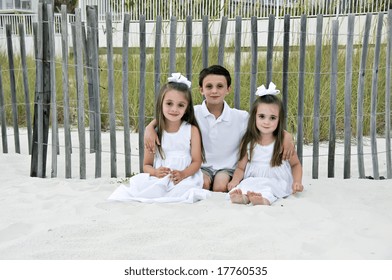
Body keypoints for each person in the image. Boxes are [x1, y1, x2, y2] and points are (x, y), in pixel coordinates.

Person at [145, 65, 295, 192]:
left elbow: (264, 123)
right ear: (201, 90)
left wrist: (286, 136)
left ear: (228, 89)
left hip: (227, 167)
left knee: (220, 187)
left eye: (220, 86)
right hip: (201, 167)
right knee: (203, 184)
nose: (214, 91)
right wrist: (149, 128)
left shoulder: (240, 117)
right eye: (209, 86)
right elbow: (168, 118)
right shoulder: (193, 112)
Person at [108, 73, 210, 203]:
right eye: (169, 103)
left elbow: (196, 161)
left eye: (180, 105)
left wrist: (183, 174)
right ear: (161, 104)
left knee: (186, 190)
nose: (174, 109)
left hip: (184, 176)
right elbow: (146, 165)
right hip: (159, 177)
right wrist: (156, 172)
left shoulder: (191, 130)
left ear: (187, 108)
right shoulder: (154, 133)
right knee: (148, 189)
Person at [227, 82, 304, 206]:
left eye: (272, 118)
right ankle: (244, 198)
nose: (266, 122)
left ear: (279, 120)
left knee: (269, 188)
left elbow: (295, 164)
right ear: (254, 117)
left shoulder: (283, 142)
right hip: (254, 178)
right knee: (247, 184)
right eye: (262, 116)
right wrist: (235, 180)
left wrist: (297, 181)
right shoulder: (248, 141)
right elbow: (241, 167)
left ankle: (264, 200)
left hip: (276, 179)